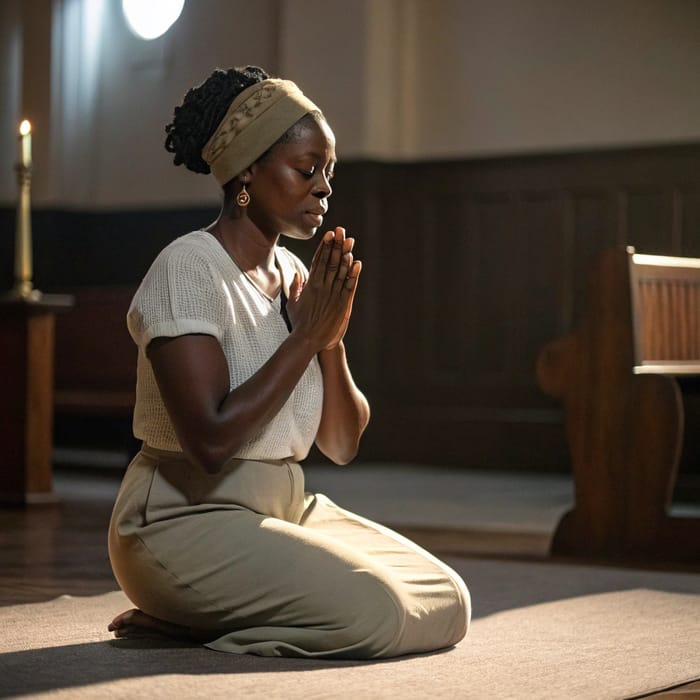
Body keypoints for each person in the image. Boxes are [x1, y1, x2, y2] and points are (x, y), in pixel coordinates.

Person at [107, 65, 470, 659]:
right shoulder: (188, 268)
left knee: (448, 601)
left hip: (284, 506)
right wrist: (303, 338)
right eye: (307, 171)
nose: (324, 189)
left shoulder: (300, 280)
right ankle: (190, 609)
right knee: (377, 611)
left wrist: (329, 339)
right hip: (181, 521)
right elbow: (211, 443)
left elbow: (343, 445)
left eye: (329, 173)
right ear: (247, 169)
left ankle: (203, 620)